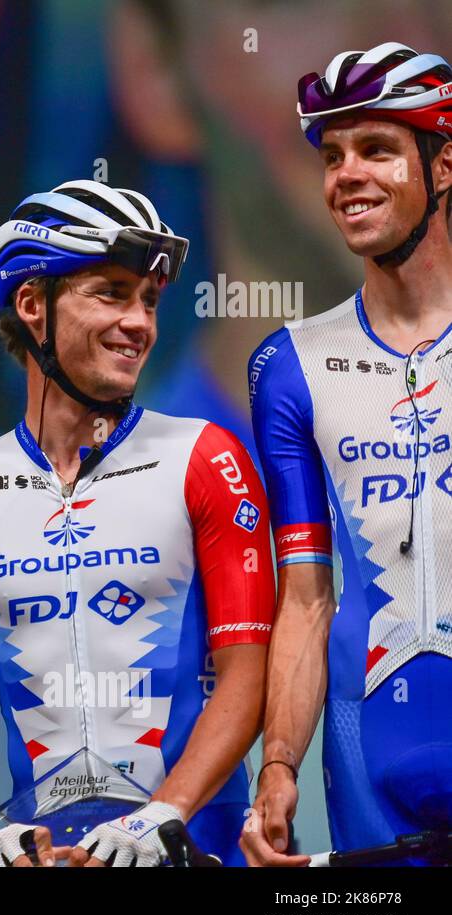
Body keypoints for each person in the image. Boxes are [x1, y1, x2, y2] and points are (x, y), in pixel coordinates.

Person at [0, 180, 276, 866]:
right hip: (49, 847)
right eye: (112, 293)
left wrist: (164, 815)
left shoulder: (206, 456)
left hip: (195, 841)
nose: (140, 322)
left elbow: (249, 673)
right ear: (33, 306)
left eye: (150, 300)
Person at [243, 42, 452, 866]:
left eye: (376, 149)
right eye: (332, 155)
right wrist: (279, 766)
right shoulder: (289, 365)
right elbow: (304, 596)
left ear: (443, 165)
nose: (346, 175)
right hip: (372, 766)